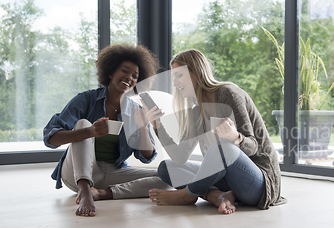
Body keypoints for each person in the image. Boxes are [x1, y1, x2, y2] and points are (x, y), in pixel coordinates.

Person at [148, 49, 285, 214]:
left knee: (223, 147)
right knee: (166, 167)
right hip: (226, 181)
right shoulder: (196, 112)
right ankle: (216, 196)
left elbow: (253, 146)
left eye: (179, 75)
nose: (175, 83)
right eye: (173, 78)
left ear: (197, 72)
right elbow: (179, 157)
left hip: (258, 182)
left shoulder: (229, 94)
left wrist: (235, 137)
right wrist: (158, 126)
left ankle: (188, 194)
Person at [43, 43, 169, 217]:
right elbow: (50, 137)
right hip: (76, 174)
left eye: (135, 75)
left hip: (113, 172)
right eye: (124, 71)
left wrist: (142, 128)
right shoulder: (86, 99)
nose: (129, 77)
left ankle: (102, 193)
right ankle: (85, 190)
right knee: (83, 124)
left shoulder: (135, 110)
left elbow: (146, 157)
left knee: (166, 177)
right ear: (110, 72)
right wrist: (90, 132)